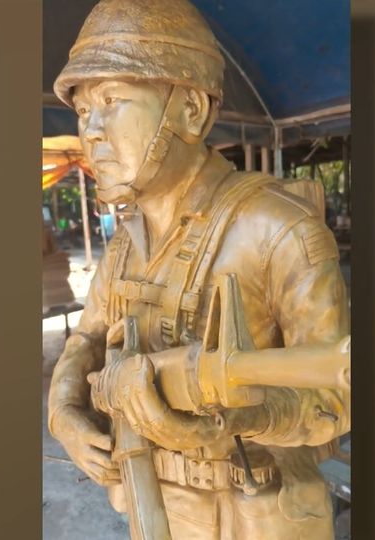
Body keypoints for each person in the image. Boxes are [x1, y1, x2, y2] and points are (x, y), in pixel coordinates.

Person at [46, 0, 349, 537]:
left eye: (112, 100)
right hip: (153, 503)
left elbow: (336, 398)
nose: (90, 129)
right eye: (83, 109)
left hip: (258, 514)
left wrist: (225, 423)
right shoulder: (124, 244)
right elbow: (86, 337)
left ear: (189, 109)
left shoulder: (277, 229)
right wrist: (64, 411)